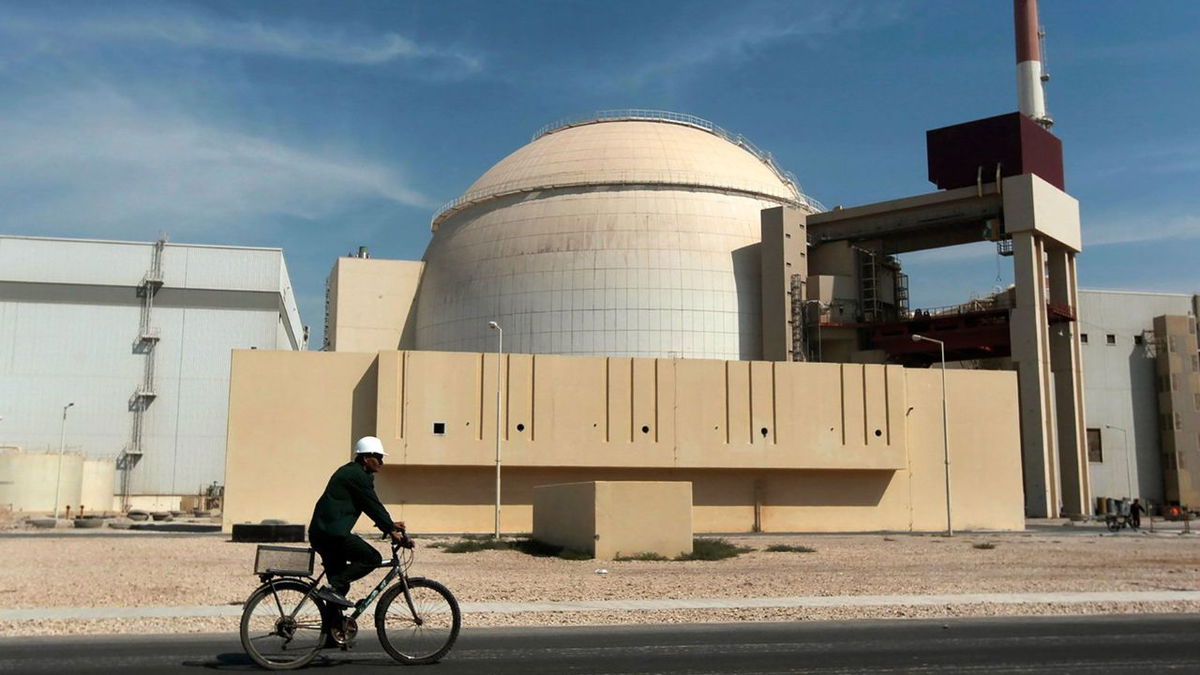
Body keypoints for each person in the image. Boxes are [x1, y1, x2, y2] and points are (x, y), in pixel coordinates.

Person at [309, 436, 406, 608]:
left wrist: (390, 524)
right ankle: (333, 588)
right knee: (372, 558)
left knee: (339, 590)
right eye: (379, 457)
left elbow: (369, 505)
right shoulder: (356, 476)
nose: (381, 463)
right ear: (365, 458)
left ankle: (332, 631)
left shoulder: (353, 473)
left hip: (323, 534)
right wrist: (391, 530)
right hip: (331, 535)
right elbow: (372, 504)